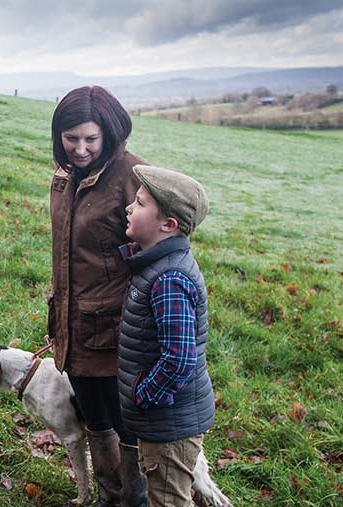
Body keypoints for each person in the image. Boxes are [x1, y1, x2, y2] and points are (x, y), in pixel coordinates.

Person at [47, 86, 148, 507]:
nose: (81, 148)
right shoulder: (64, 173)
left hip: (118, 327)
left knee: (127, 425)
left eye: (91, 139)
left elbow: (155, 249)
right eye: (71, 139)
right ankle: (109, 499)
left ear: (109, 132)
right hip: (72, 320)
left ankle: (135, 500)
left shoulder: (133, 176)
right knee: (95, 420)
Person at [118, 165, 214, 507]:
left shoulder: (169, 278)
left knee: (167, 501)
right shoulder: (155, 266)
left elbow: (179, 359)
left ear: (168, 225)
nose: (130, 208)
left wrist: (144, 396)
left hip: (168, 421)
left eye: (140, 203)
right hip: (164, 418)